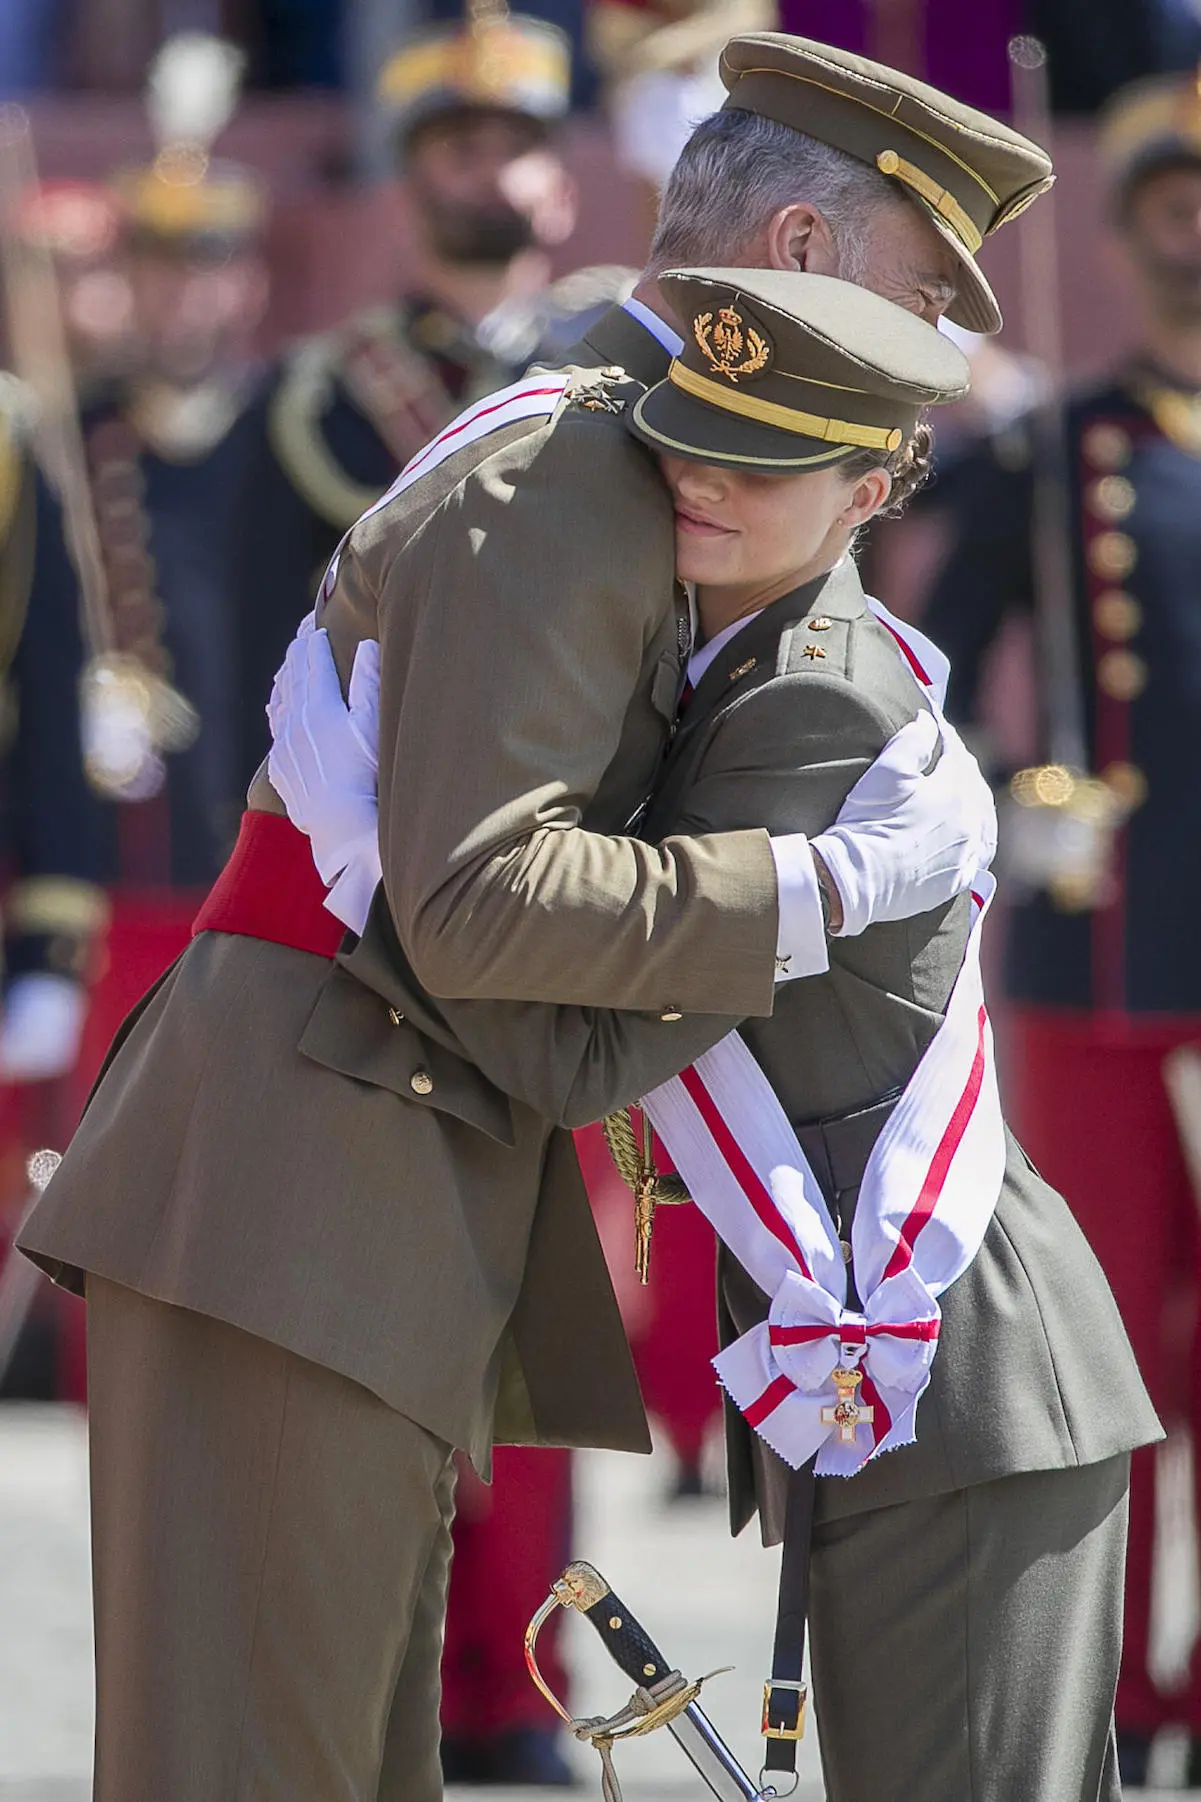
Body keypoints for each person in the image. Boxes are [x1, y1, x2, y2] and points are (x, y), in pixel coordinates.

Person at [19, 33, 1051, 1802]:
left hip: (365, 1167)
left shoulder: (623, 440)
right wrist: (829, 885)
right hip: (305, 1181)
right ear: (797, 259)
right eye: (917, 285)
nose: (941, 344)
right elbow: (486, 899)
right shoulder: (577, 470)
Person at [274, 265, 1158, 1801]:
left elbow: (569, 1057)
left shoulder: (800, 706)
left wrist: (374, 867)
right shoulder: (735, 656)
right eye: (692, 434)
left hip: (952, 1356)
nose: (700, 478)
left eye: (763, 462)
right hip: (899, 1350)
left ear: (869, 487)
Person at [918, 69, 1201, 1788]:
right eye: (1167, 190)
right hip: (1101, 951)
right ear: (1124, 224)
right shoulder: (1053, 446)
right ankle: (1113, 1682)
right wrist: (1003, 799)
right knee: (1100, 1341)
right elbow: (924, 666)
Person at [236, 2, 590, 784]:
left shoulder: (611, 373)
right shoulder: (318, 398)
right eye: (461, 151)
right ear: (402, 195)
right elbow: (266, 623)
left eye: (517, 150)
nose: (492, 174)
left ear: (563, 191)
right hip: (376, 770)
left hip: (575, 760)